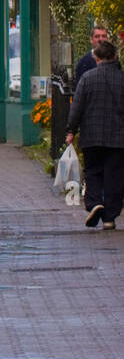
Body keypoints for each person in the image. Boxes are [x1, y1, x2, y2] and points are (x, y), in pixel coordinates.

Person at [66, 40, 124, 229]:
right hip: (117, 137)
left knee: (93, 171)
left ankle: (94, 202)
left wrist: (71, 130)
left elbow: (77, 107)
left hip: (91, 136)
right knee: (114, 176)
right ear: (114, 57)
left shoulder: (87, 78)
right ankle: (109, 218)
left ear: (96, 58)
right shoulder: (121, 79)